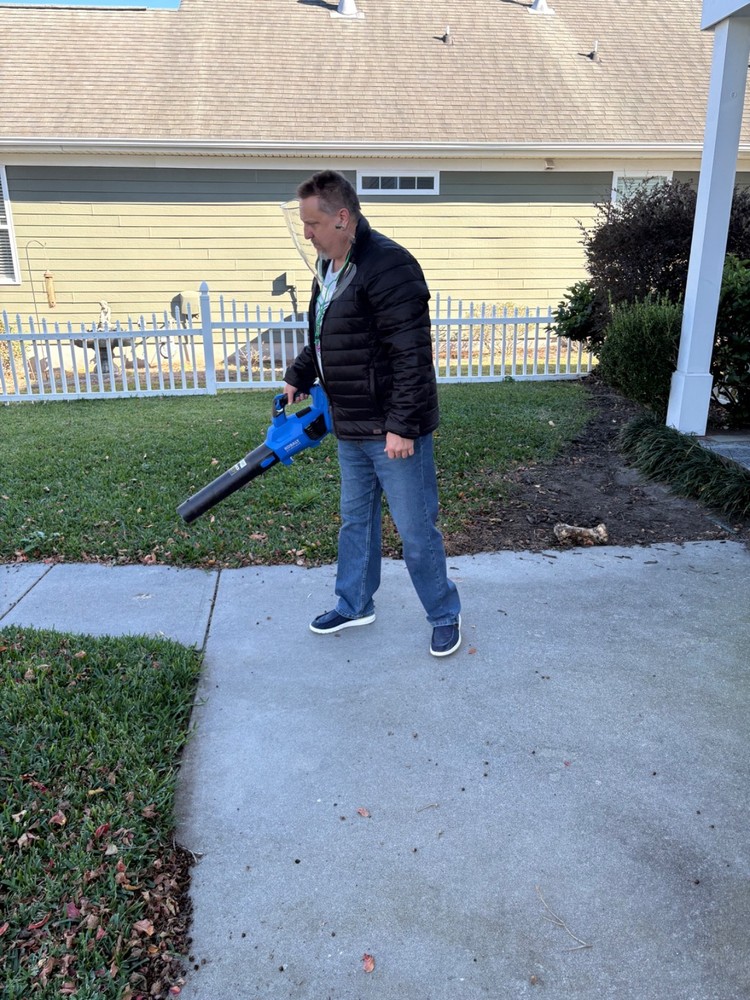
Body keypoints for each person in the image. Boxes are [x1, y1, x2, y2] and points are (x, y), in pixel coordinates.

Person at [283, 169, 461, 657]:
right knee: (355, 522)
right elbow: (326, 336)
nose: (307, 232)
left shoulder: (389, 266)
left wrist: (402, 426)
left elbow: (411, 355)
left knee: (416, 528)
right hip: (351, 425)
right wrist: (299, 373)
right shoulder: (328, 266)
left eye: (313, 223)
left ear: (343, 218)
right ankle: (355, 602)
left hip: (392, 431)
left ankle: (444, 613)